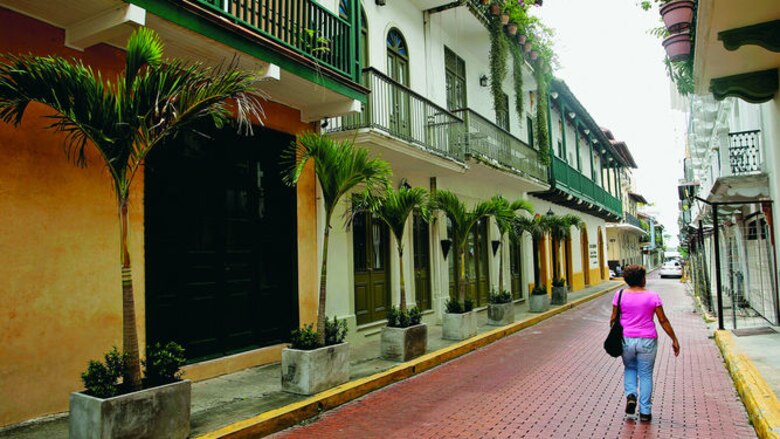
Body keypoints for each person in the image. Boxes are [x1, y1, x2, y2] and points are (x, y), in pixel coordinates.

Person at [610, 264, 680, 422]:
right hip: (648, 340)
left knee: (630, 368)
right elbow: (663, 320)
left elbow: (613, 318)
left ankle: (631, 396)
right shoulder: (653, 296)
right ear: (642, 279)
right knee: (646, 374)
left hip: (626, 339)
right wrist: (674, 339)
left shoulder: (619, 294)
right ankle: (645, 411)